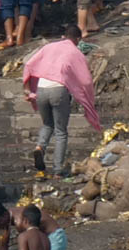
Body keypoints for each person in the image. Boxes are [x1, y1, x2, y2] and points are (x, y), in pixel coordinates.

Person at [21, 24, 101, 177]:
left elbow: (30, 64)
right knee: (61, 132)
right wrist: (85, 96)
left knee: (47, 124)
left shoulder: (49, 47)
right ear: (78, 39)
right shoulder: (75, 52)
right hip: (59, 91)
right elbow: (85, 80)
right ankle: (58, 170)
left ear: (64, 36)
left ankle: (39, 147)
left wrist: (27, 88)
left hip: (41, 90)